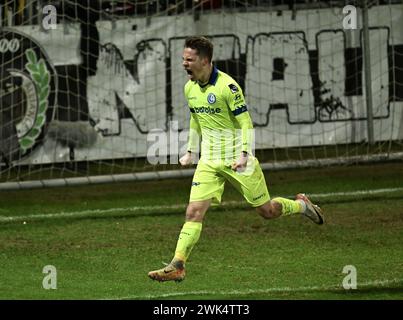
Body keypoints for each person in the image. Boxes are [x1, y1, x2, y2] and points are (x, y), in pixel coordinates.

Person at [148, 36, 324, 282]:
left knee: (267, 211)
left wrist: (244, 154)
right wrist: (191, 151)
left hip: (237, 159)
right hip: (209, 161)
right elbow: (195, 119)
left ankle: (302, 205)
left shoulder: (227, 87)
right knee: (193, 212)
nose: (184, 64)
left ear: (205, 60)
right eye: (183, 59)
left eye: (189, 59)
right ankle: (178, 265)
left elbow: (245, 121)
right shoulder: (189, 88)